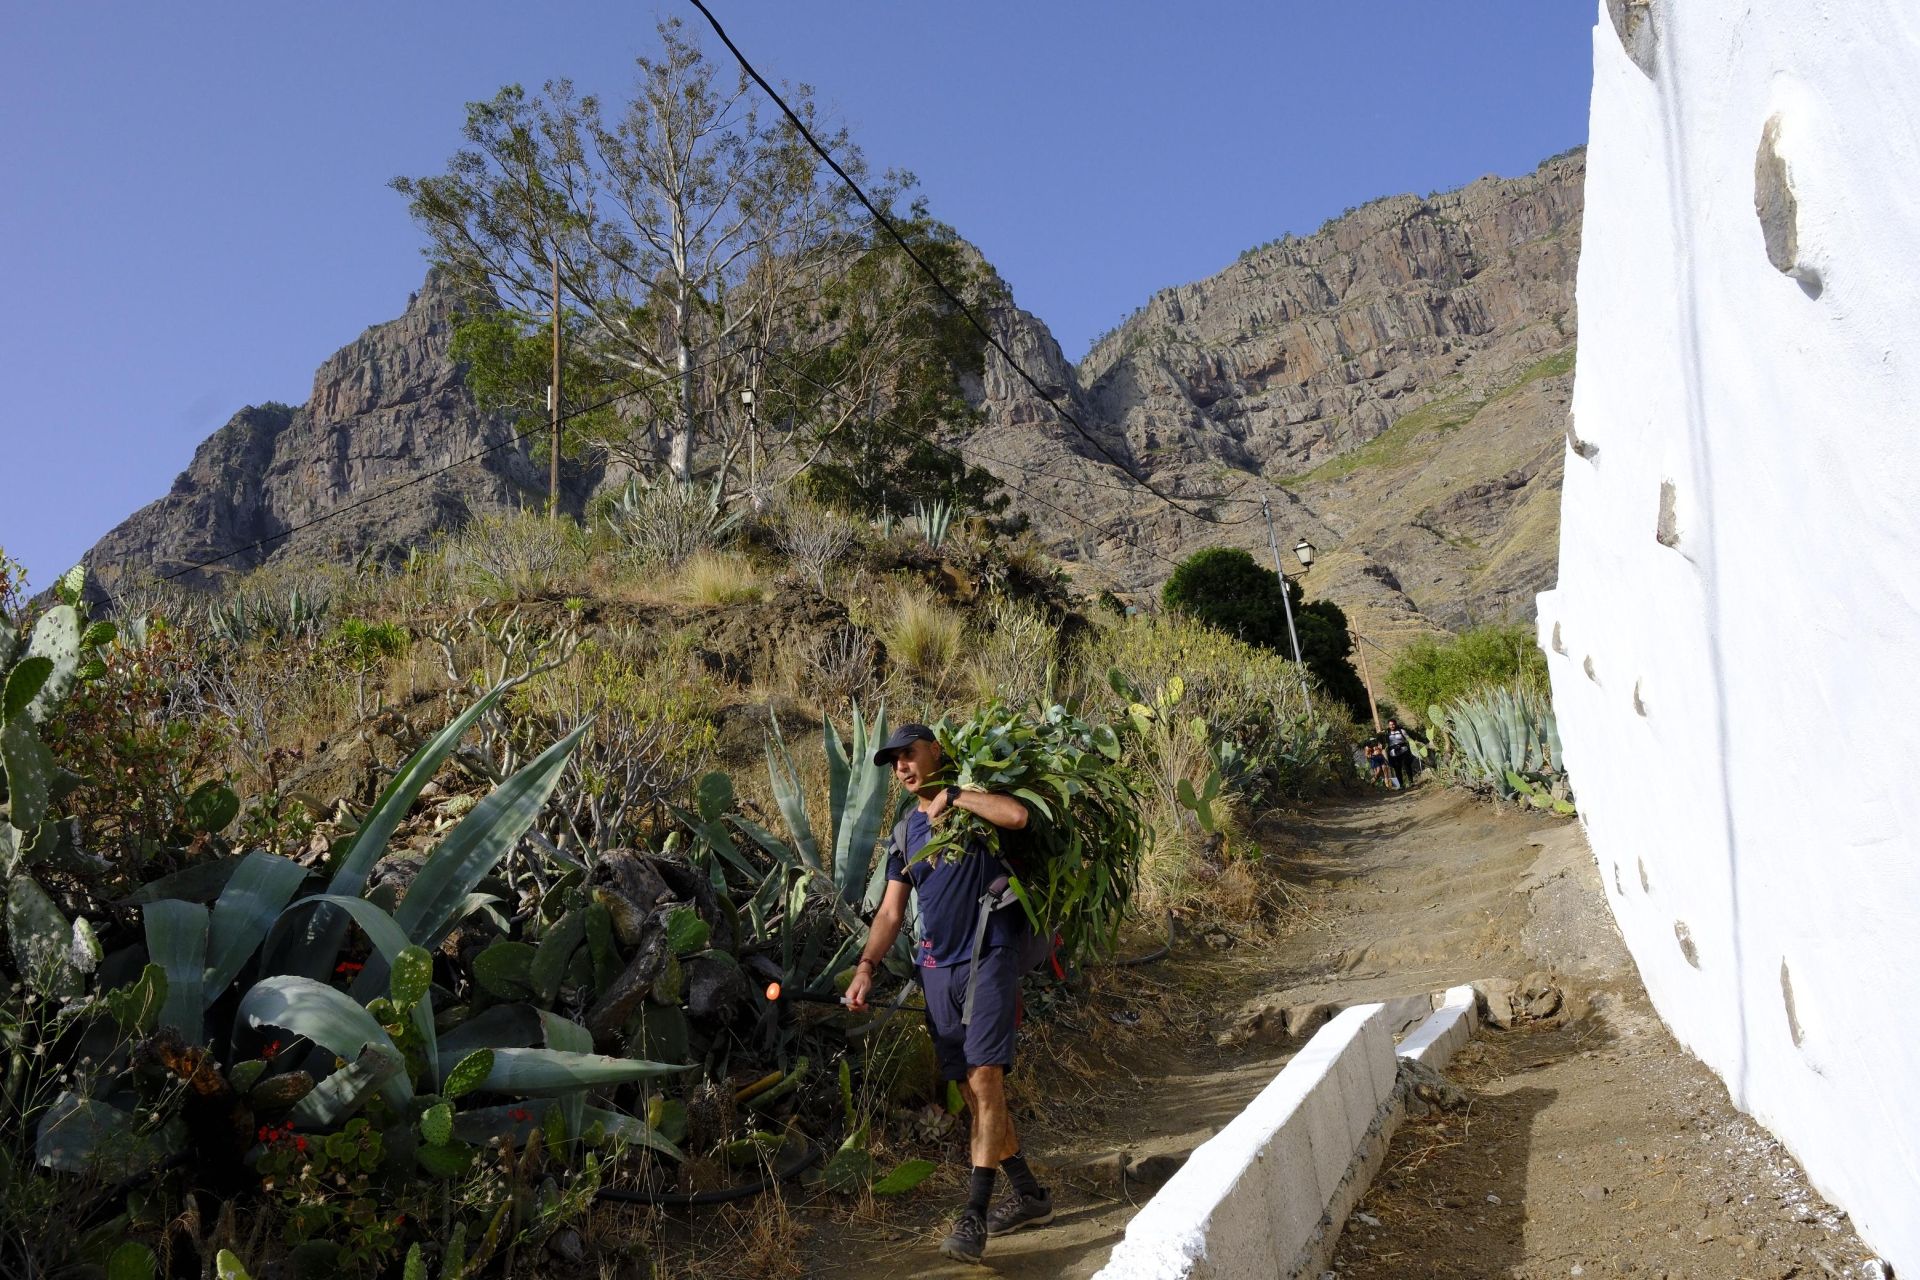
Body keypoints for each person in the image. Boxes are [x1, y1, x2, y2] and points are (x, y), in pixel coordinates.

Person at [847, 723, 1053, 1263]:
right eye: (894, 762)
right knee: (970, 1088)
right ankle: (1028, 1193)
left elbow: (1019, 816)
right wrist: (867, 966)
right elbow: (892, 910)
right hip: (937, 970)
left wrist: (957, 796)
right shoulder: (904, 834)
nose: (902, 768)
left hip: (991, 954)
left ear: (936, 751)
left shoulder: (971, 802)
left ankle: (974, 1215)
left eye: (909, 755)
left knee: (986, 1078)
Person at [1384, 719, 1417, 790]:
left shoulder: (1401, 731)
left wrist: (1414, 744)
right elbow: (1383, 743)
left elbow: (1408, 739)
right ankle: (1401, 785)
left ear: (1395, 724)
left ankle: (1411, 782)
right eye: (1390, 725)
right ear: (1388, 725)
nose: (1392, 726)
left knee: (1407, 765)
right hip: (1393, 753)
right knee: (1397, 769)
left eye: (1393, 724)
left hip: (1403, 750)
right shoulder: (1386, 733)